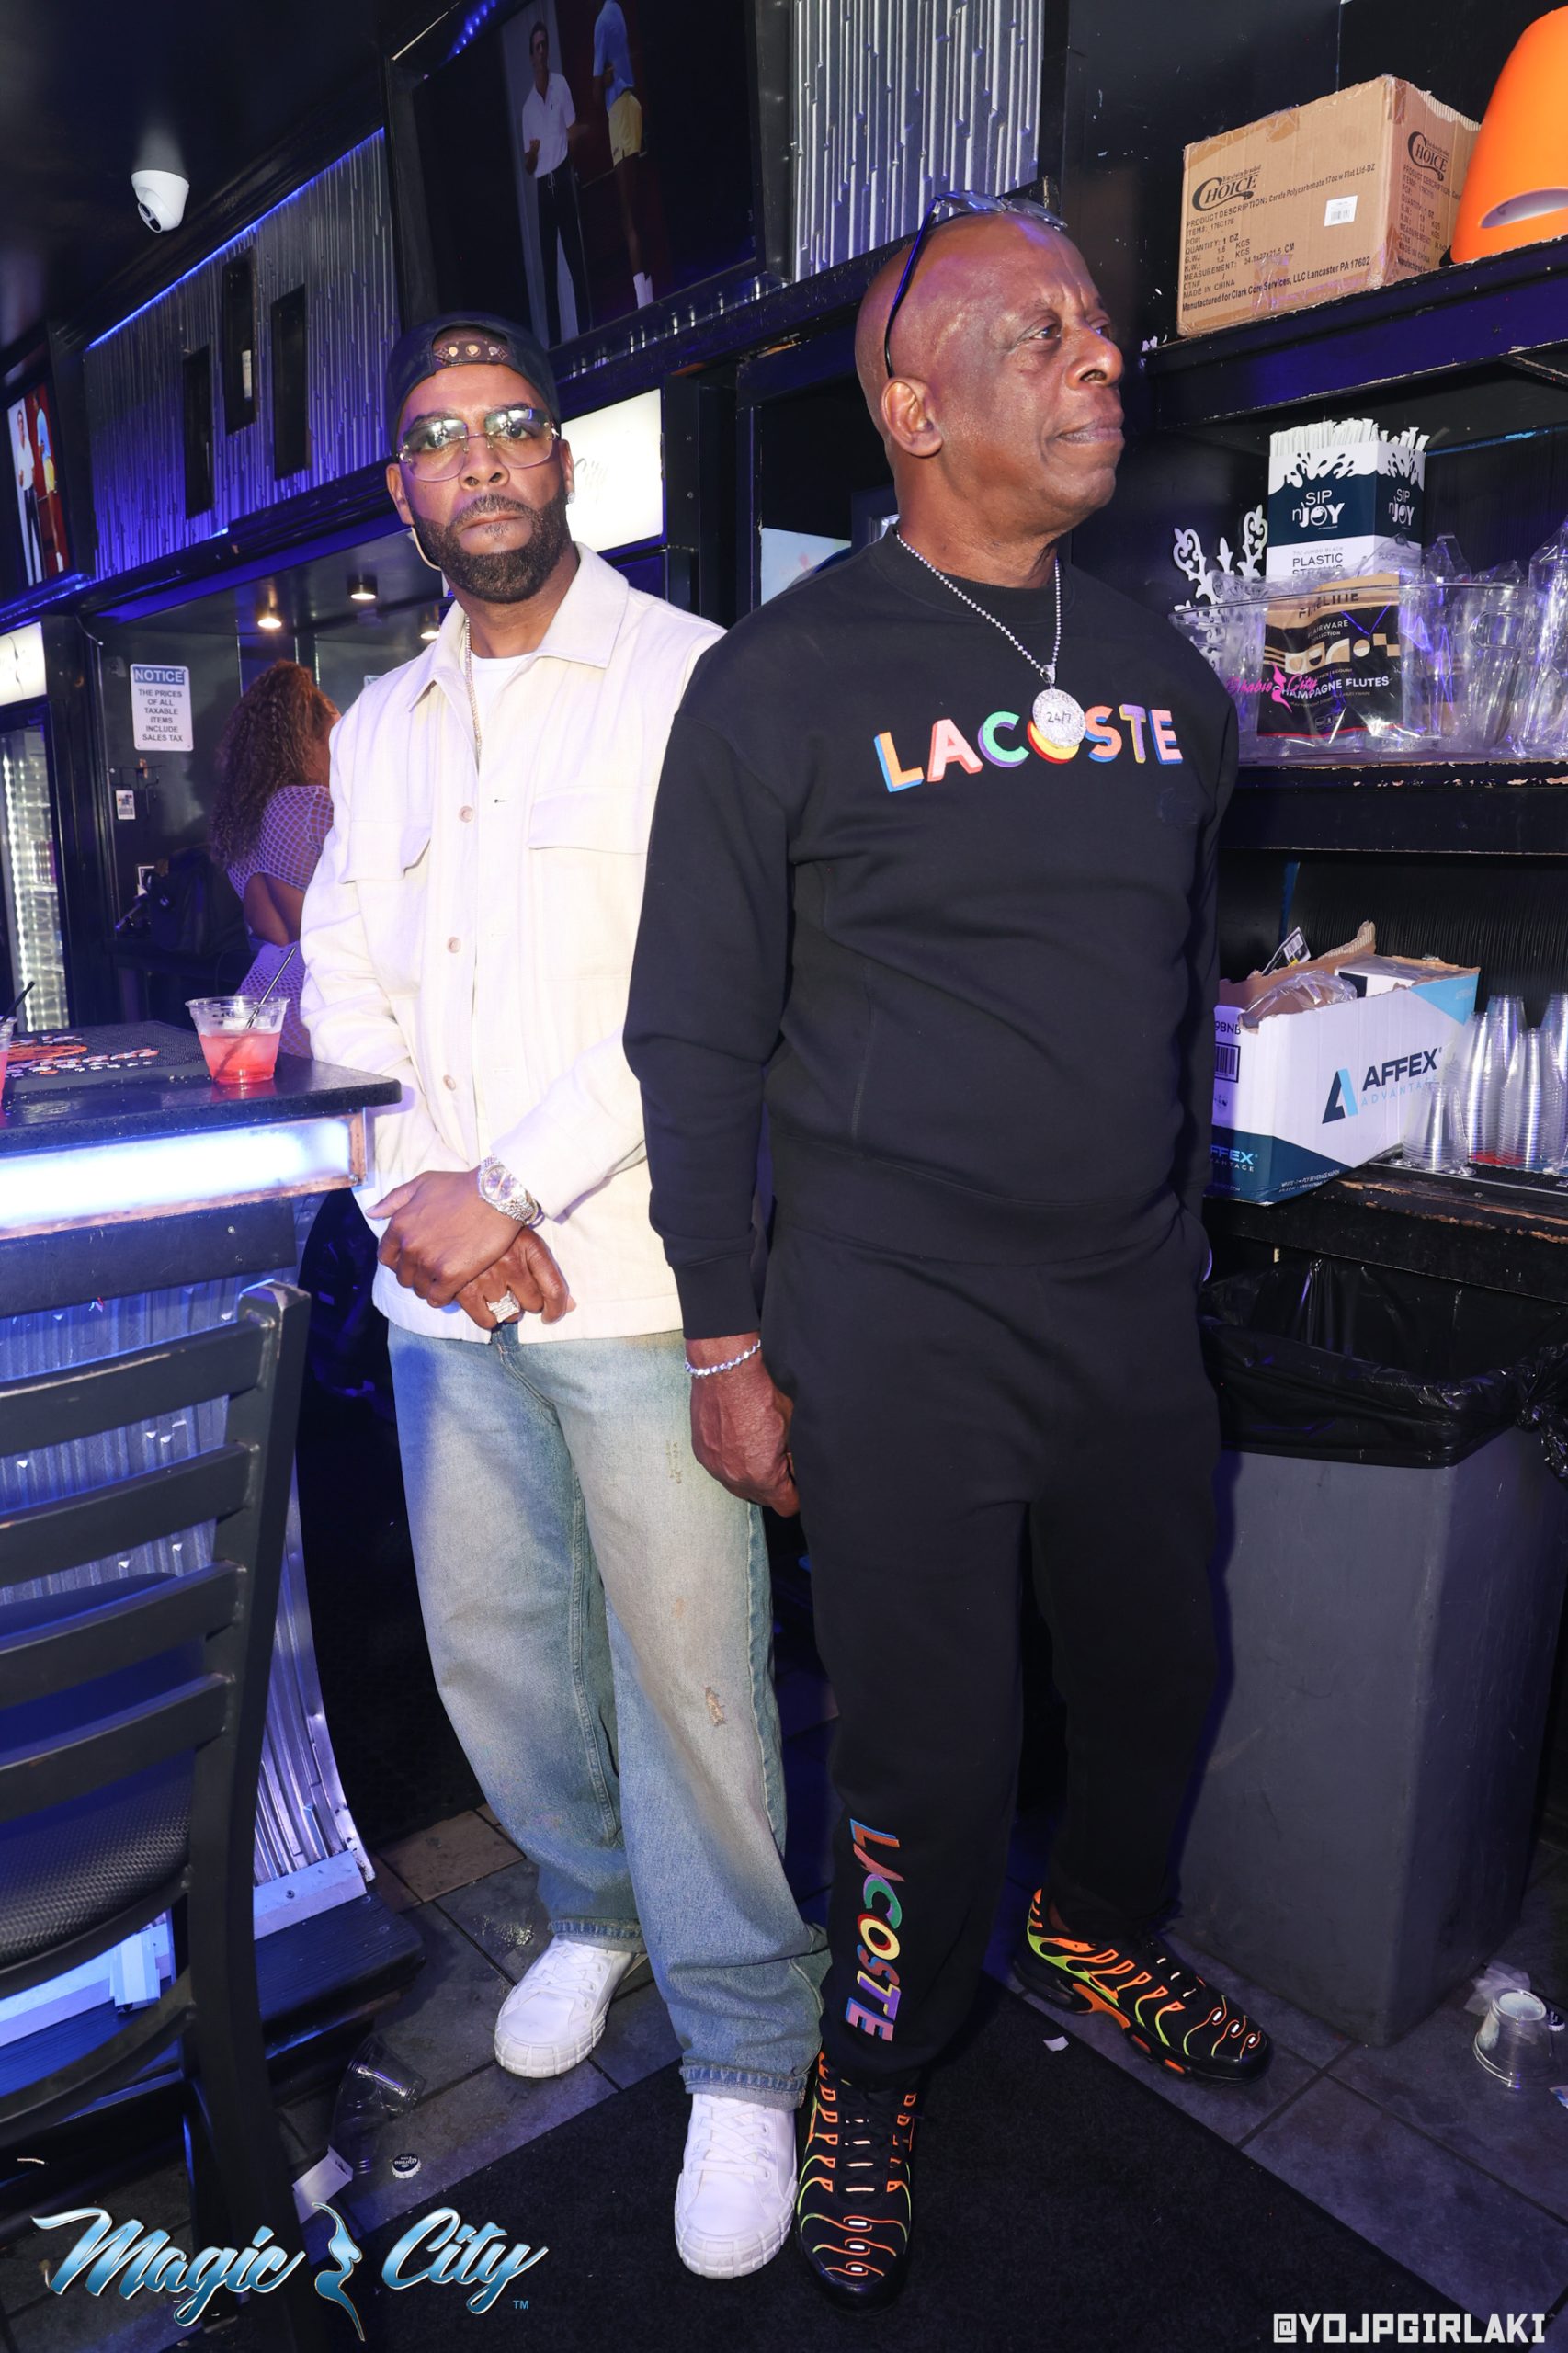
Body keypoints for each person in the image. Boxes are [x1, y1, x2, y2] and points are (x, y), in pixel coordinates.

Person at [626, 197, 1271, 2313]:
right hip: (890, 1323)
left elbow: (1165, 992)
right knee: (926, 1756)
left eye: (1094, 321)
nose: (1097, 353)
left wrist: (1176, 1227)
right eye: (1035, 331)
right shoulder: (776, 685)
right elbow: (693, 1034)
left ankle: (1093, 1921)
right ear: (910, 410)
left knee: (1160, 1669)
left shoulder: (1169, 684)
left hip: (1125, 1305)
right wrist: (722, 1341)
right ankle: (875, 2059)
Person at [300, 313, 824, 2281]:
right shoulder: (377, 723)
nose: (484, 458)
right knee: (501, 1656)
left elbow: (707, 989)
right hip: (444, 1304)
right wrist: (409, 1206)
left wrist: (501, 1191)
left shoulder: (695, 679)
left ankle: (749, 2043)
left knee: (692, 1678)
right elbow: (343, 999)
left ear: (564, 460)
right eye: (443, 437)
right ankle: (593, 1910)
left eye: (515, 423)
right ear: (405, 491)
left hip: (634, 1277)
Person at [210, 658, 339, 1056]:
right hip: (321, 997)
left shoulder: (241, 817)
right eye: (336, 734)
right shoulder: (310, 804)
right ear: (310, 739)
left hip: (261, 998)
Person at [519, 20, 592, 344]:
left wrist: (569, 162)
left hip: (561, 176)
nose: (541, 51)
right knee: (548, 267)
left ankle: (589, 331)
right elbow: (528, 166)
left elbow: (572, 130)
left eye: (544, 45)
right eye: (536, 47)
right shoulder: (527, 109)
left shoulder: (561, 85)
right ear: (531, 56)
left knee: (575, 258)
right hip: (543, 187)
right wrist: (533, 153)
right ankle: (554, 344)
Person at [592, 0, 653, 307]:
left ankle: (643, 302)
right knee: (636, 210)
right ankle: (648, 294)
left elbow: (594, 94)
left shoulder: (602, 22)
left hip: (619, 112)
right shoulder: (617, 10)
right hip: (631, 106)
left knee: (628, 214)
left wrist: (601, 83)